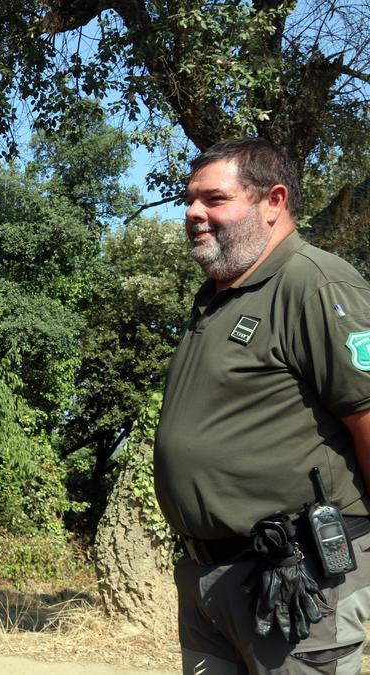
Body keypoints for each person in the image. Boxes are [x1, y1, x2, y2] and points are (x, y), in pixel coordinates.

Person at [154, 138, 370, 674]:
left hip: (296, 579)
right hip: (208, 576)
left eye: (214, 199)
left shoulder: (317, 284)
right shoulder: (217, 296)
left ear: (274, 201)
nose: (193, 214)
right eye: (189, 200)